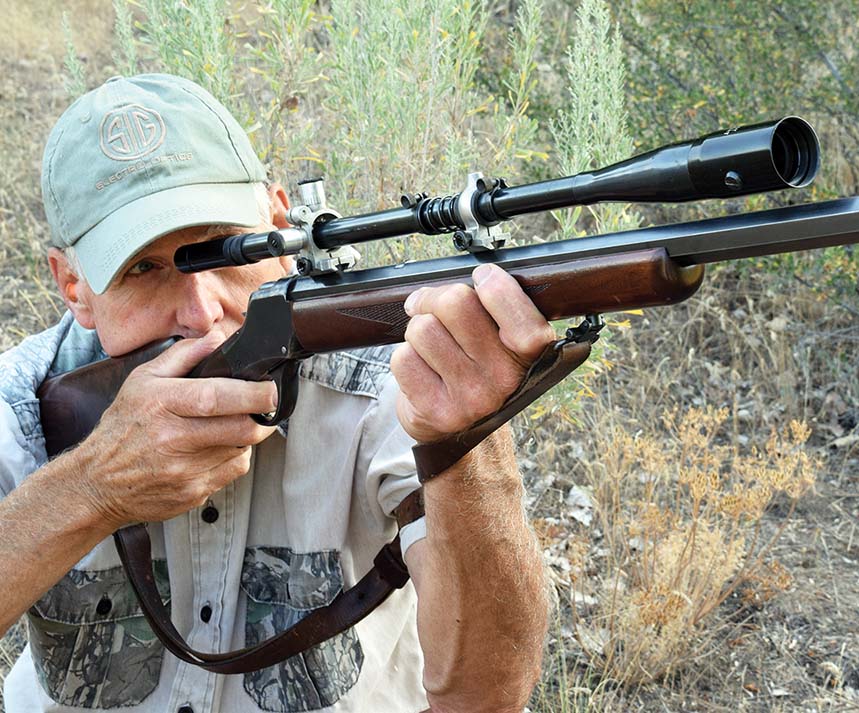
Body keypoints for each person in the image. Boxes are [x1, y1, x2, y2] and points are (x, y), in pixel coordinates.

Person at [0, 73, 552, 712]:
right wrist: (90, 490)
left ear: (282, 224)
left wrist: (467, 448)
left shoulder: (394, 378)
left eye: (219, 250)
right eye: (144, 269)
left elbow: (485, 695)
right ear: (74, 287)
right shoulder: (25, 404)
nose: (202, 313)